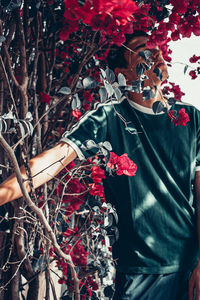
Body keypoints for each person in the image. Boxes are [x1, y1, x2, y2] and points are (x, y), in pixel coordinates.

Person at [0, 31, 200, 300]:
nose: (155, 54)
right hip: (139, 272)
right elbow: (53, 159)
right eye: (143, 50)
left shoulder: (192, 119)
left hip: (190, 269)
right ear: (123, 73)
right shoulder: (108, 118)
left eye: (156, 48)